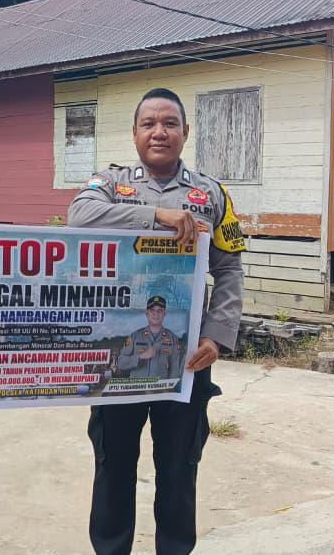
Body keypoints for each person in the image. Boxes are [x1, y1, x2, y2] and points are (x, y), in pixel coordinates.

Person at [68, 87, 246, 555]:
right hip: (122, 355)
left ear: (186, 132)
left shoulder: (211, 194)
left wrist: (218, 335)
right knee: (113, 465)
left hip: (185, 356)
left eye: (169, 123)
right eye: (149, 123)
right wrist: (157, 215)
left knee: (179, 468)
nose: (159, 132)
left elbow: (228, 268)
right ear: (134, 133)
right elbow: (79, 218)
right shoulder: (109, 184)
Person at [115, 295, 183, 379]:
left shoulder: (173, 338)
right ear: (147, 314)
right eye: (152, 310)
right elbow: (120, 363)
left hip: (160, 389)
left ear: (164, 314)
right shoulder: (134, 336)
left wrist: (170, 389)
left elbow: (175, 370)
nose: (156, 314)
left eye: (160, 311)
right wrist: (140, 357)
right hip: (137, 389)